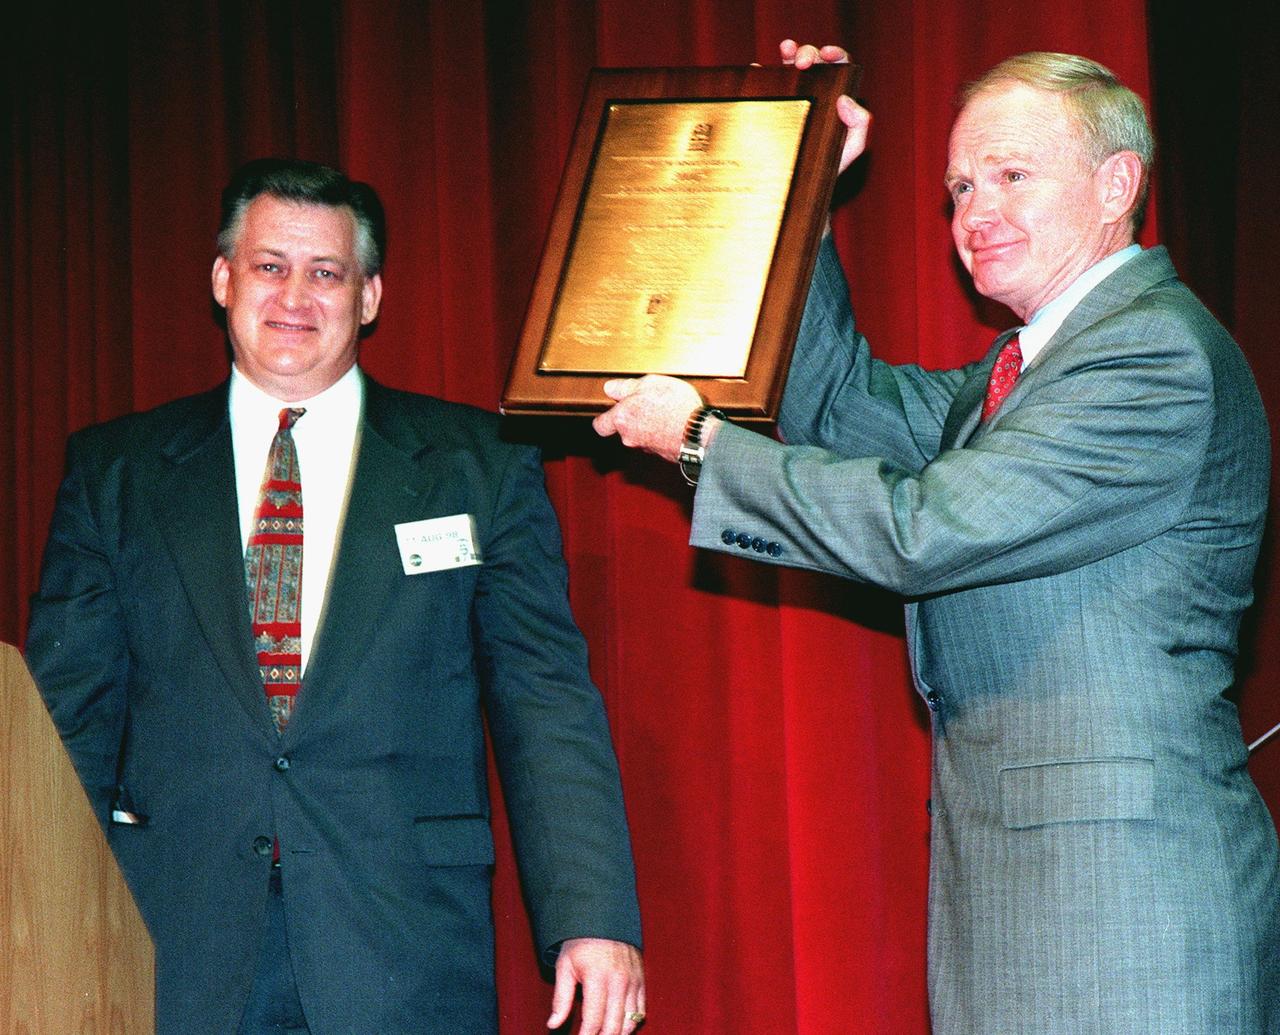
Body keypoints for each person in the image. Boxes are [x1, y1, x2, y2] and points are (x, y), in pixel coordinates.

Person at [595, 41, 1279, 1033]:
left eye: (1010, 175)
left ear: (1115, 183)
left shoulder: (1150, 355)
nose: (974, 214)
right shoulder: (1014, 377)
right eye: (959, 186)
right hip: (1016, 897)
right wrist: (803, 197)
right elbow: (835, 402)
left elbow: (922, 530)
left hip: (1125, 908)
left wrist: (700, 441)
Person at [26, 158, 645, 1035]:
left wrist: (594, 916)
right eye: (270, 265)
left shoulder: (478, 467)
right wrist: (32, 930)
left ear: (370, 297)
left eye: (327, 273)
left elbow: (544, 698)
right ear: (222, 278)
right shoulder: (114, 474)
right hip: (169, 947)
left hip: (403, 945)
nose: (295, 296)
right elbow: (65, 730)